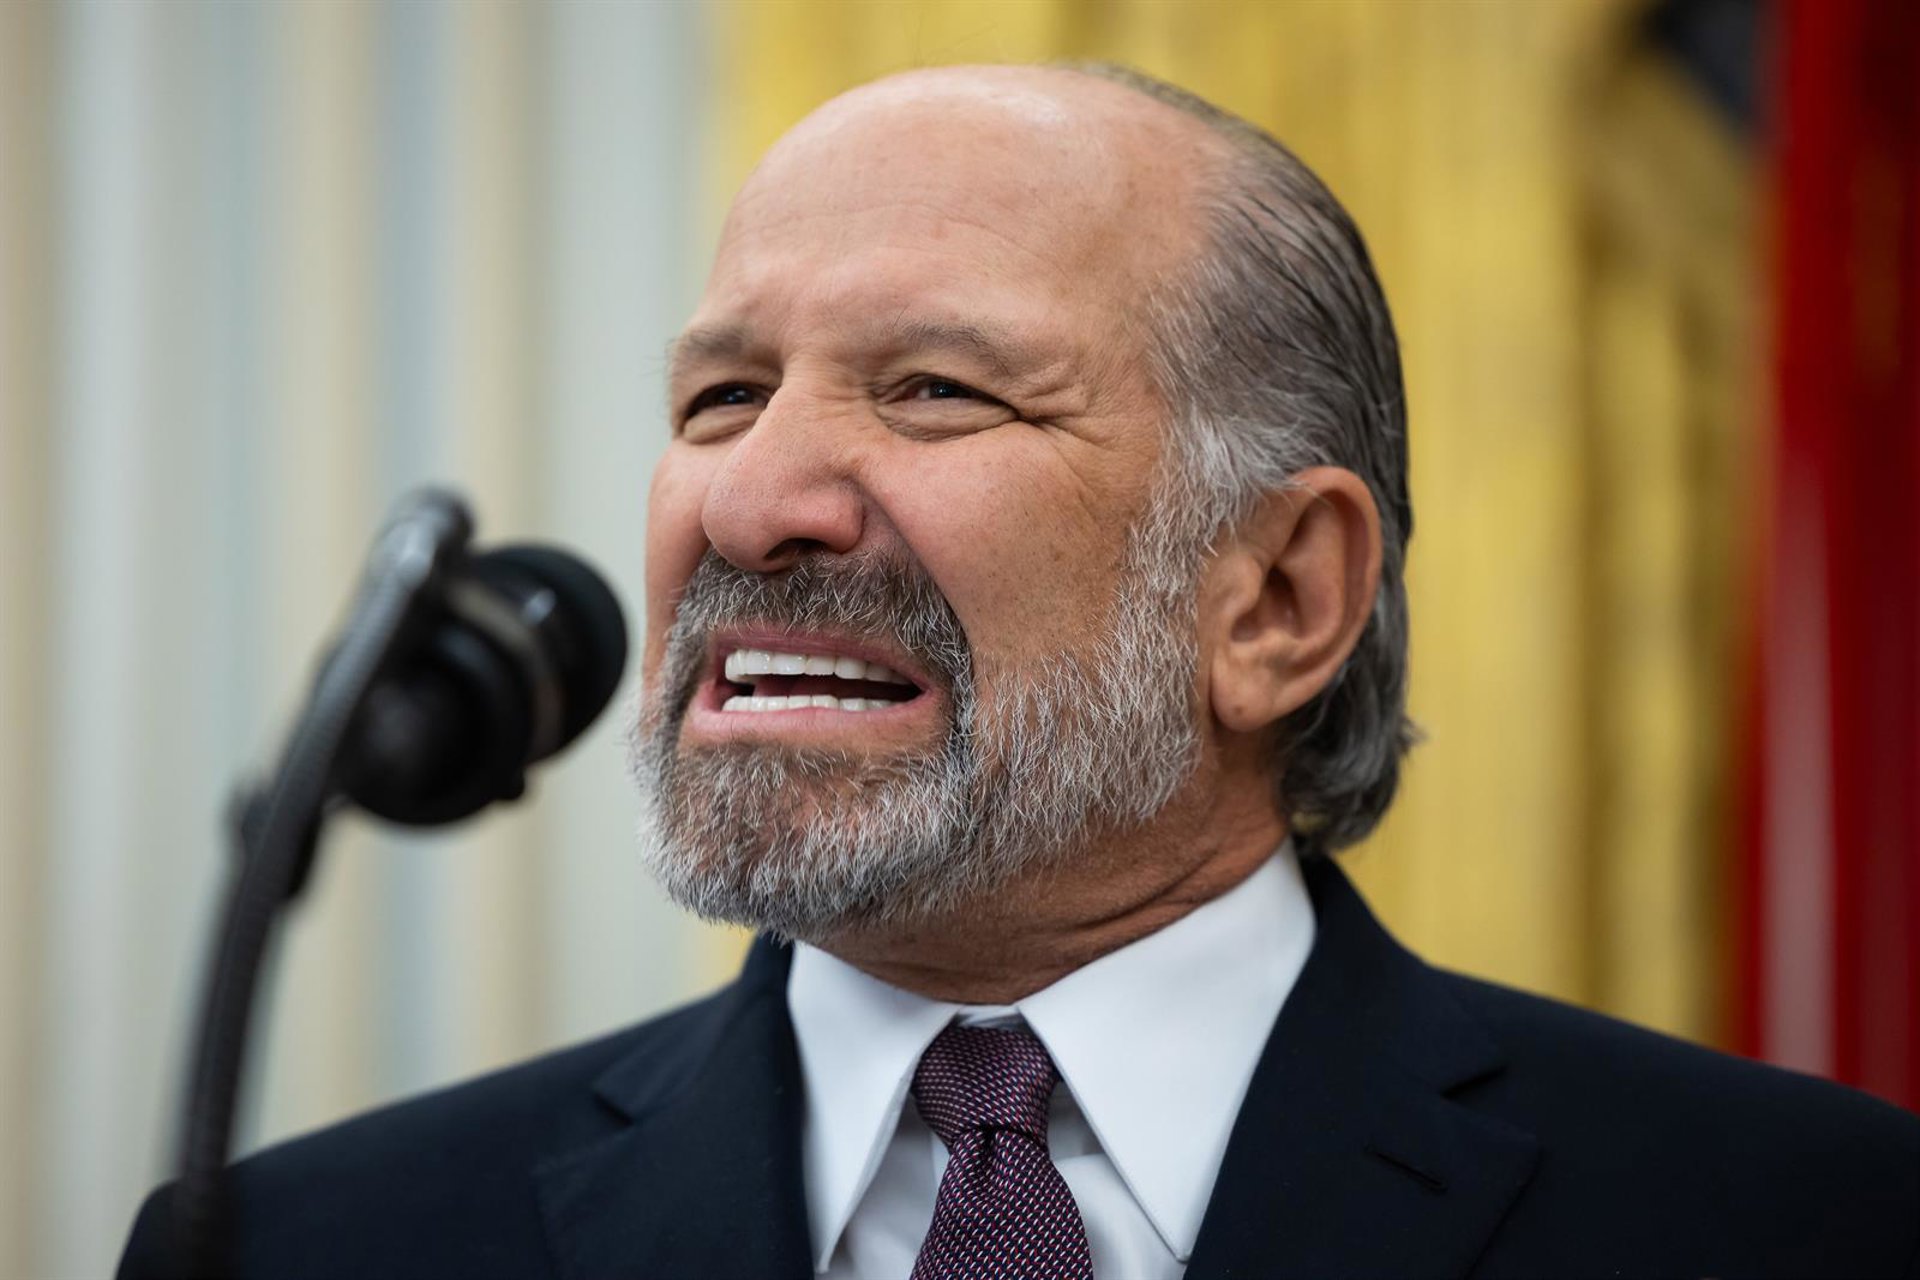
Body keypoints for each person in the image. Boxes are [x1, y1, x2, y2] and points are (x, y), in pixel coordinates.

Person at [122, 63, 1919, 1280]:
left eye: (936, 391)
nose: (750, 500)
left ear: (1279, 599)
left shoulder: (1810, 1226)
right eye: (722, 397)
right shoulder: (295, 1250)